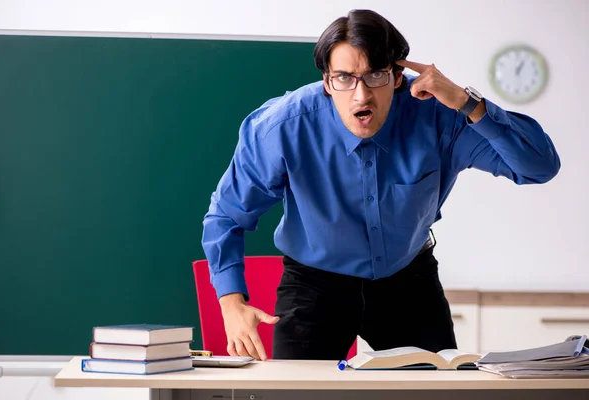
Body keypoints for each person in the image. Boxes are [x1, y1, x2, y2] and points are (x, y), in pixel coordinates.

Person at [201, 9, 560, 361]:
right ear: (327, 81)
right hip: (314, 286)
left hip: (407, 281)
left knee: (438, 392)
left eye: (375, 76)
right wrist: (231, 302)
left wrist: (468, 104)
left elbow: (538, 167)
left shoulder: (437, 117)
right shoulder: (283, 127)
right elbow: (226, 216)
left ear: (398, 77)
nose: (361, 95)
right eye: (343, 78)